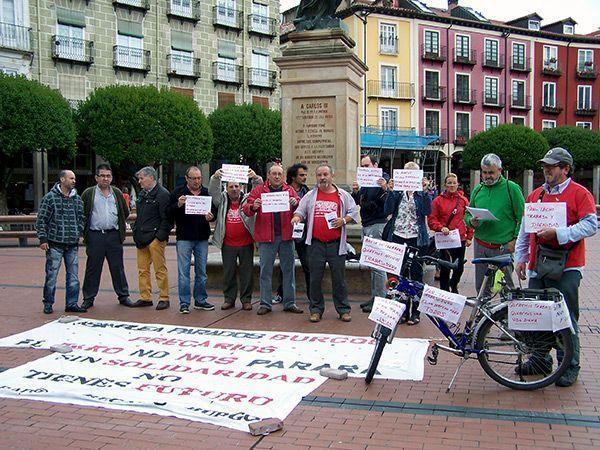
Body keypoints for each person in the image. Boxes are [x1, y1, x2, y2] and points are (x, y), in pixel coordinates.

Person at [515, 147, 596, 387]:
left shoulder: (579, 193)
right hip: (539, 265)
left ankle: (569, 364)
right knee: (537, 316)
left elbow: (591, 225)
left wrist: (559, 233)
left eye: (551, 166)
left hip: (568, 266)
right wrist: (521, 257)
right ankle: (540, 360)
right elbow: (525, 228)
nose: (546, 169)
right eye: (544, 166)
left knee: (566, 318)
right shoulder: (536, 195)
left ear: (565, 169)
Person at [291, 164, 358, 323]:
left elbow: (353, 212)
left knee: (339, 278)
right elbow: (300, 211)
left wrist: (343, 220)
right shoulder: (310, 195)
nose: (322, 178)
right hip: (316, 244)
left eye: (325, 174)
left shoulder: (342, 195)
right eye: (319, 175)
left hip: (336, 244)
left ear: (332, 176)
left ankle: (343, 309)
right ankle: (316, 310)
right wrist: (297, 218)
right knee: (315, 278)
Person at [243, 164, 303, 316]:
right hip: (266, 236)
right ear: (268, 175)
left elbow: (300, 207)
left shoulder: (289, 190)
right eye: (274, 174)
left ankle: (290, 302)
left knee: (289, 270)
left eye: (279, 174)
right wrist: (253, 206)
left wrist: (296, 203)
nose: (277, 176)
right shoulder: (258, 190)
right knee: (265, 271)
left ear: (283, 176)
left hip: (286, 236)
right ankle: (265, 303)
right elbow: (246, 210)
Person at [464, 153, 525, 296]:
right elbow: (467, 215)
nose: (487, 176)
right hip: (481, 245)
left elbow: (522, 217)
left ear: (500, 170)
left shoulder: (511, 189)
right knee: (482, 287)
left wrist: (515, 240)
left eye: (491, 172)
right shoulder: (478, 190)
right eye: (484, 173)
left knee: (507, 288)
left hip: (503, 247)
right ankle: (483, 315)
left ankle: (507, 316)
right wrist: (470, 221)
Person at [383, 162, 432, 325]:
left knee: (416, 275)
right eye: (407, 173)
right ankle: (402, 310)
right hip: (398, 235)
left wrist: (425, 192)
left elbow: (427, 212)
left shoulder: (421, 193)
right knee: (400, 275)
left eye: (413, 174)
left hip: (416, 238)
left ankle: (415, 312)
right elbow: (388, 210)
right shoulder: (398, 192)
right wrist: (391, 192)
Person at [81, 163, 133, 309]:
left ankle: (123, 295)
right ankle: (88, 298)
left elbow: (125, 212)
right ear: (96, 177)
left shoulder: (116, 193)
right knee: (93, 268)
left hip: (113, 235)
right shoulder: (88, 193)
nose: (105, 178)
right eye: (102, 176)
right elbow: (82, 213)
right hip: (95, 235)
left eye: (108, 176)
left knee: (117, 267)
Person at [210, 168, 263, 310]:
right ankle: (229, 299)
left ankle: (246, 300)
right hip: (227, 244)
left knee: (247, 273)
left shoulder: (247, 199)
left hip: (246, 244)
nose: (234, 189)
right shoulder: (222, 200)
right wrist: (215, 178)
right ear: (226, 188)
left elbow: (259, 191)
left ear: (241, 187)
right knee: (228, 273)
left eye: (236, 186)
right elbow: (213, 193)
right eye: (231, 186)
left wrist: (255, 178)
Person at [36, 170, 86, 314]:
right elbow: (42, 220)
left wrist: (78, 230)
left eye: (74, 178)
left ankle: (71, 303)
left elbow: (81, 217)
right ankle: (48, 303)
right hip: (54, 243)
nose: (74, 180)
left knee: (73, 276)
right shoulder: (50, 198)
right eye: (71, 178)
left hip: (72, 244)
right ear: (62, 179)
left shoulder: (77, 199)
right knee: (51, 275)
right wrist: (43, 238)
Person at [167, 166, 215, 314]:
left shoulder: (206, 192)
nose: (196, 181)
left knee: (201, 272)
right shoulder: (178, 192)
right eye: (193, 178)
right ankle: (184, 303)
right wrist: (178, 205)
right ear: (187, 178)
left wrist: (210, 216)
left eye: (199, 178)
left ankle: (200, 300)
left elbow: (214, 210)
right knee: (183, 273)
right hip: (184, 238)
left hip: (201, 237)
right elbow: (168, 212)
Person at [351, 155, 390, 313]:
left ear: (376, 165)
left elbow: (379, 203)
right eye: (362, 166)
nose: (364, 169)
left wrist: (384, 187)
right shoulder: (366, 183)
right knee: (372, 264)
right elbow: (359, 201)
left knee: (378, 265)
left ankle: (382, 298)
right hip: (367, 224)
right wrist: (355, 193)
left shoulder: (383, 180)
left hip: (377, 224)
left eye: (367, 166)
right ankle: (375, 297)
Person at [131, 166, 172, 310]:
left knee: (159, 269)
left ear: (151, 178)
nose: (140, 181)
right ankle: (145, 296)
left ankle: (164, 297)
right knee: (142, 269)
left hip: (155, 238)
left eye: (142, 178)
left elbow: (166, 218)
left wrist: (159, 237)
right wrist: (136, 231)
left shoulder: (163, 194)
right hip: (142, 237)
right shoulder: (142, 194)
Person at [427, 173, 473, 294]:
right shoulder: (437, 201)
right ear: (445, 185)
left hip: (460, 238)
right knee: (445, 266)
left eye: (454, 183)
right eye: (449, 183)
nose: (452, 185)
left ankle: (454, 283)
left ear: (458, 184)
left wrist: (469, 236)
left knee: (459, 266)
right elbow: (432, 219)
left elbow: (468, 218)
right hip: (445, 239)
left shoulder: (463, 200)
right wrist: (440, 227)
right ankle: (444, 290)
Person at [273, 164, 311, 305]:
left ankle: (311, 295)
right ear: (293, 177)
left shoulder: (308, 192)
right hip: (287, 233)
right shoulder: (284, 191)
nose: (304, 177)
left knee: (308, 265)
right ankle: (281, 294)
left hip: (303, 234)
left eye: (305, 175)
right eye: (301, 175)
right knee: (285, 266)